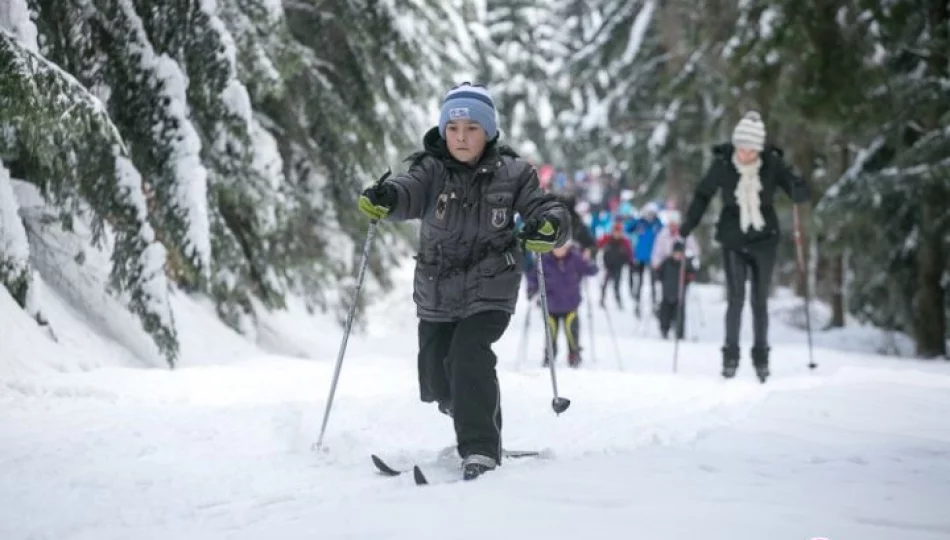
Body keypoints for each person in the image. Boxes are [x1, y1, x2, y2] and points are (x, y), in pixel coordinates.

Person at [357, 83, 570, 479]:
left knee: (469, 354)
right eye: (453, 129)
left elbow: (545, 207)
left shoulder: (514, 173)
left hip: (492, 285)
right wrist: (386, 197)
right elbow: (408, 192)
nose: (461, 138)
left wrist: (550, 224)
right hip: (439, 288)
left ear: (488, 131)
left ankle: (481, 449)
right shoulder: (430, 169)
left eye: (471, 128)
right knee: (439, 376)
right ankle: (477, 415)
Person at [679, 111, 809, 382]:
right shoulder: (724, 163)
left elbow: (797, 193)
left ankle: (761, 359)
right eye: (741, 146)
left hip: (764, 238)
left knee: (759, 301)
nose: (745, 152)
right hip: (732, 237)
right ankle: (730, 358)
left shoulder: (772, 164)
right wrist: (689, 224)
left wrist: (798, 185)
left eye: (750, 148)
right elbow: (704, 193)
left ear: (758, 147)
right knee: (735, 299)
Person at [526, 242, 598, 367]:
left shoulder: (575, 257)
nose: (560, 250)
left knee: (572, 332)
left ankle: (574, 354)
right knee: (551, 332)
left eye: (563, 247)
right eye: (556, 248)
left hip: (571, 304)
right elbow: (533, 276)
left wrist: (590, 260)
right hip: (550, 305)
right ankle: (549, 355)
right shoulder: (543, 259)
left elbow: (590, 270)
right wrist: (532, 289)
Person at [625, 203, 664, 315]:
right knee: (639, 281)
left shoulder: (658, 224)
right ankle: (637, 302)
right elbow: (627, 229)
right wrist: (637, 220)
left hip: (653, 258)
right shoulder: (640, 223)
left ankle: (654, 304)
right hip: (640, 257)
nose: (650, 216)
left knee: (653, 283)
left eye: (652, 213)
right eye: (648, 213)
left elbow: (664, 233)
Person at [656, 241, 697, 340]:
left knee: (679, 314)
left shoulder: (685, 264)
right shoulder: (666, 262)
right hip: (667, 292)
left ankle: (680, 333)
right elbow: (659, 273)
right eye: (676, 253)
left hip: (680, 294)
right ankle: (664, 330)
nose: (678, 255)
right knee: (665, 313)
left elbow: (692, 274)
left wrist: (690, 276)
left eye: (680, 253)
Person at [595, 221, 634, 309]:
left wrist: (630, 262)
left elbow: (630, 253)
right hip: (607, 265)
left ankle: (618, 300)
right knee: (604, 283)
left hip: (618, 266)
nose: (617, 234)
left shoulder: (625, 241)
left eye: (619, 232)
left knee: (617, 285)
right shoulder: (607, 238)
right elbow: (597, 244)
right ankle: (602, 299)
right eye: (615, 231)